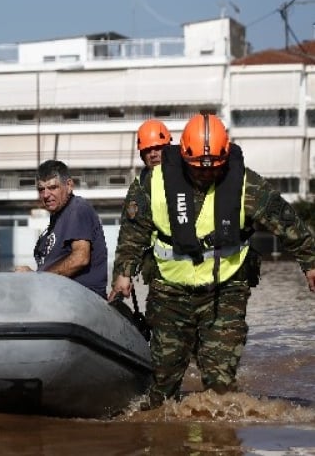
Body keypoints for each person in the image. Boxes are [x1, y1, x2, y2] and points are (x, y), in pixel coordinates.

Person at [109, 113, 315, 410]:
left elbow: (286, 221)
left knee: (221, 388)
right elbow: (133, 232)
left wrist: (309, 262)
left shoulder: (245, 183)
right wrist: (124, 272)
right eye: (198, 169)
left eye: (215, 168)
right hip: (170, 292)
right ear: (183, 156)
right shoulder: (150, 184)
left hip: (225, 290)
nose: (206, 174)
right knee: (163, 383)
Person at [15, 160, 108, 298]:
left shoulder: (77, 209)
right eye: (41, 189)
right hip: (61, 300)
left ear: (69, 185)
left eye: (53, 187)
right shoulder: (58, 218)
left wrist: (37, 278)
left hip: (80, 302)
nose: (46, 195)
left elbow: (80, 258)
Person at [127, 119, 173, 286]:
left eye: (157, 148)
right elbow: (131, 235)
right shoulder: (139, 187)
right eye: (147, 150)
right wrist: (124, 274)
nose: (153, 154)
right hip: (160, 274)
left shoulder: (190, 175)